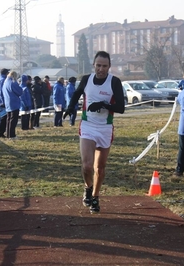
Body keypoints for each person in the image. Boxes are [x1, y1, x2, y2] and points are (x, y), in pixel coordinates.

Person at [63, 51, 125, 214]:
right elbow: (76, 94)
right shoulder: (86, 79)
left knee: (100, 168)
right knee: (87, 166)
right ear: (94, 65)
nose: (101, 69)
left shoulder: (114, 82)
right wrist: (70, 107)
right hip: (88, 125)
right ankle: (88, 188)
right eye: (98, 65)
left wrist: (103, 104)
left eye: (104, 66)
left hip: (105, 127)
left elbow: (121, 108)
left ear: (109, 66)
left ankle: (96, 197)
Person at [2, 71, 22, 139]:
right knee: (13, 120)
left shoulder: (5, 82)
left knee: (8, 119)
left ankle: (8, 134)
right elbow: (20, 92)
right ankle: (12, 135)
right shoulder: (13, 83)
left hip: (7, 103)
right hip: (14, 103)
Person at [0, 68, 9, 138]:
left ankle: (0, 131)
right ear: (6, 73)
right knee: (4, 118)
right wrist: (4, 101)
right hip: (2, 103)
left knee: (2, 118)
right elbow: (1, 92)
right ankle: (0, 133)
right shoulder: (3, 80)